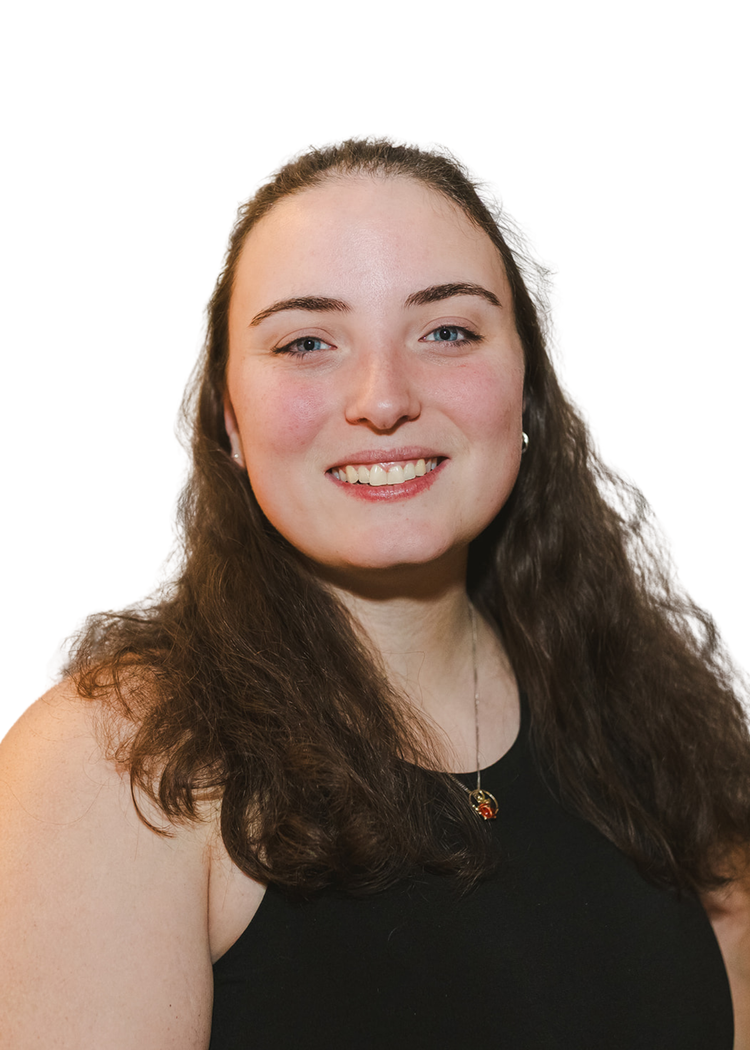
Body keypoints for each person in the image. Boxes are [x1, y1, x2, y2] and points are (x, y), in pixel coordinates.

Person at [1, 138, 748, 1049]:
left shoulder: (655, 732)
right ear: (230, 419)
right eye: (307, 342)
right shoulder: (116, 764)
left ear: (526, 389)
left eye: (447, 331)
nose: (383, 398)